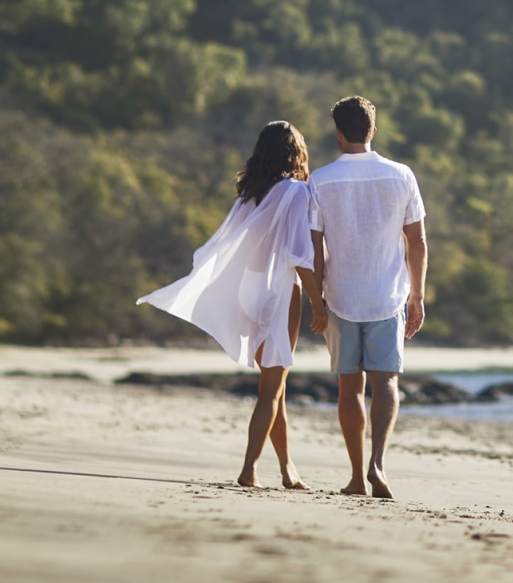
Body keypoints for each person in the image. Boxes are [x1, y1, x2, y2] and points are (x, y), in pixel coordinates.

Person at [136, 121, 317, 490]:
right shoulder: (296, 193)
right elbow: (299, 255)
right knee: (272, 386)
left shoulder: (249, 193)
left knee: (275, 384)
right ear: (295, 153)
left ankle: (287, 469)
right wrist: (320, 301)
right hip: (279, 290)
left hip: (250, 290)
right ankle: (249, 469)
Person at [304, 95, 427, 499]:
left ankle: (357, 477)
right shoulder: (402, 175)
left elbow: (313, 246)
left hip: (340, 296)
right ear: (373, 131)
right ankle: (378, 464)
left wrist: (317, 302)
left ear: (338, 133)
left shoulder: (319, 180)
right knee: (386, 382)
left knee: (349, 389)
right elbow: (418, 242)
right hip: (387, 295)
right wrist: (417, 297)